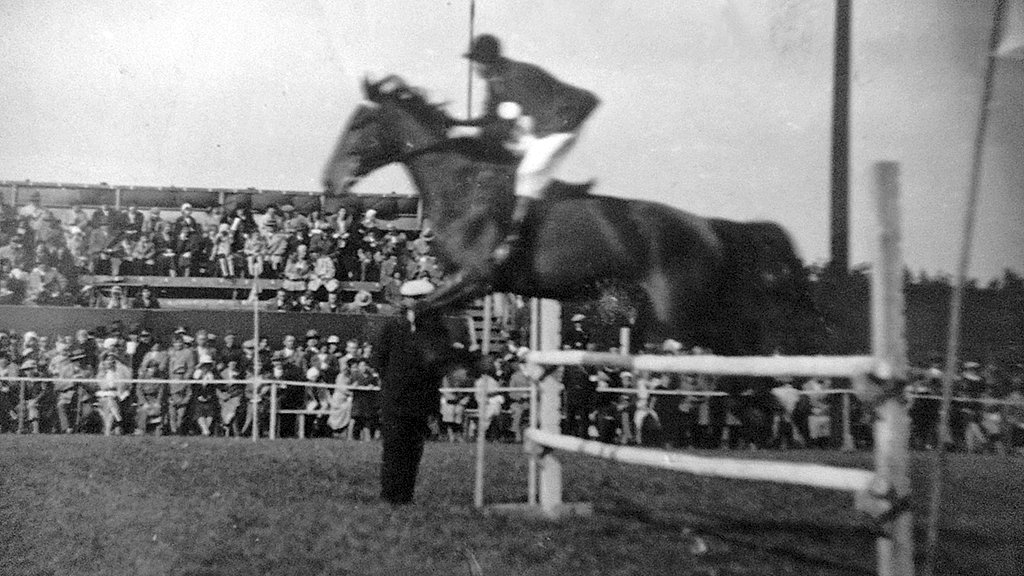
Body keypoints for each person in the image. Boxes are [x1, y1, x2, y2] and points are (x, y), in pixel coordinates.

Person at [447, 33, 600, 265]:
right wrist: (457, 123)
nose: (474, 67)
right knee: (512, 161)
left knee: (527, 172)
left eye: (477, 61)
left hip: (563, 124)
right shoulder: (495, 80)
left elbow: (508, 123)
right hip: (545, 123)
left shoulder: (519, 76)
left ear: (487, 61)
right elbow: (489, 118)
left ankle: (513, 239)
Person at [370, 278, 463, 504]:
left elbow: (439, 363)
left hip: (423, 398)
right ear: (408, 301)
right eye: (418, 299)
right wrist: (394, 383)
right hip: (396, 397)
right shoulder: (393, 326)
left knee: (413, 448)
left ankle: (405, 495)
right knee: (393, 447)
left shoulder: (437, 329)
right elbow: (378, 359)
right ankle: (390, 495)